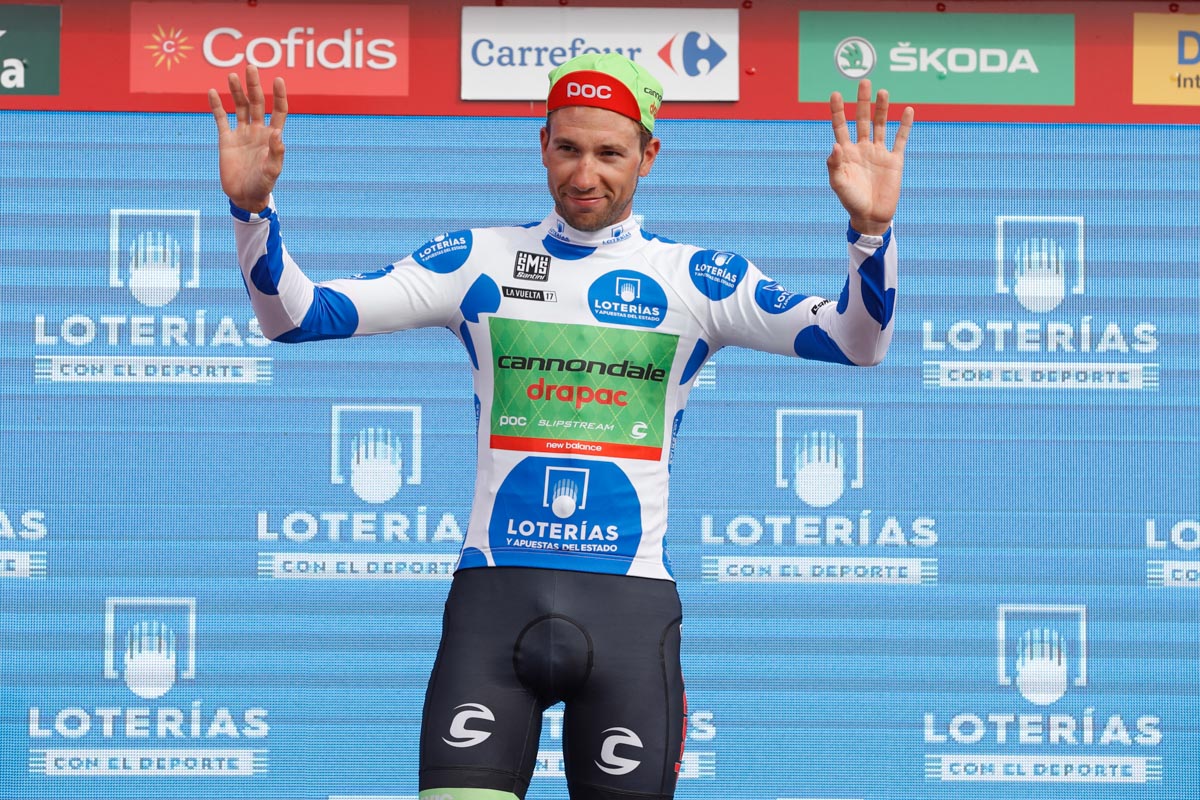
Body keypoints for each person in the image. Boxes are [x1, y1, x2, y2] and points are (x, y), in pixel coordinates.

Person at [209, 53, 912, 800]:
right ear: (542, 144)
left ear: (648, 155)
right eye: (568, 148)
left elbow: (856, 342)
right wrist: (253, 214)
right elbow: (296, 317)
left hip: (630, 615)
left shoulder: (697, 279)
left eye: (610, 153)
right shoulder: (477, 260)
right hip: (492, 609)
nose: (584, 174)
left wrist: (871, 232)